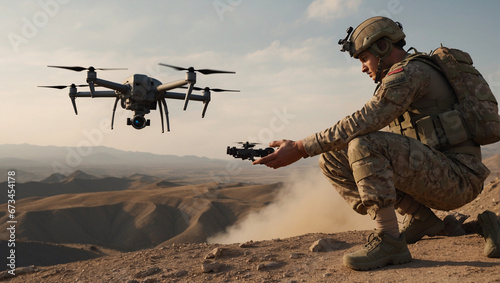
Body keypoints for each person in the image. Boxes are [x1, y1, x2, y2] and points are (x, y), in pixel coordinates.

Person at [253, 16, 492, 270]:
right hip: (437, 175)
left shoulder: (410, 72)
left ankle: (389, 240)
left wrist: (301, 148)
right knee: (332, 158)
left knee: (365, 144)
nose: (363, 68)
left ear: (382, 48)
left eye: (364, 59)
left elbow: (364, 121)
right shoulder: (403, 75)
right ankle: (423, 218)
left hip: (458, 179)